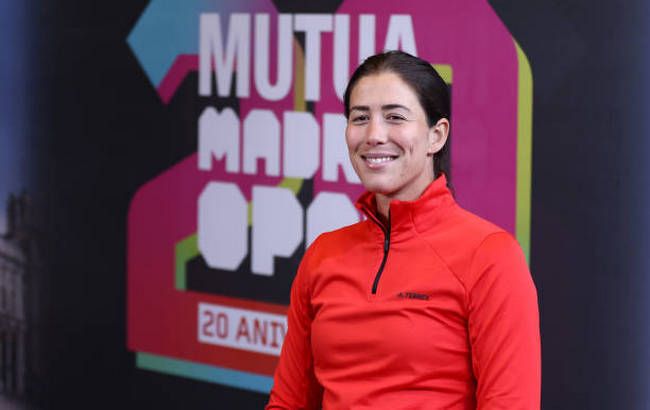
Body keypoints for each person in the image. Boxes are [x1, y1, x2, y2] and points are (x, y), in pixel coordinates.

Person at [266, 50, 540, 409]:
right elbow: (288, 402)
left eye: (395, 117)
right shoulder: (323, 255)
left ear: (436, 136)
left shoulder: (490, 255)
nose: (374, 135)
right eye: (360, 118)